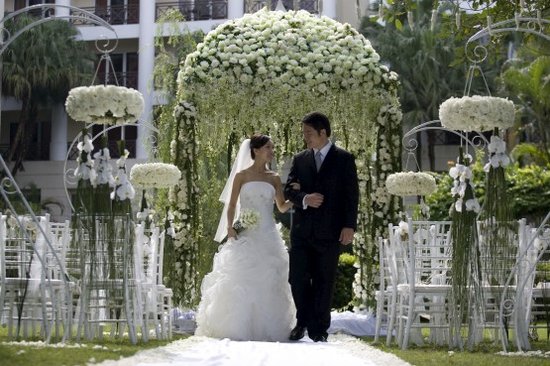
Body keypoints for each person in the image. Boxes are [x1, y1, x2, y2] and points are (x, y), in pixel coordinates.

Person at [195, 133, 296, 341]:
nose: (272, 151)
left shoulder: (275, 177)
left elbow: (282, 207)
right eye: (268, 147)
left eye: (272, 148)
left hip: (268, 234)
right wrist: (231, 227)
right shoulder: (241, 176)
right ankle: (235, 327)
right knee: (241, 278)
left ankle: (268, 328)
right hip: (246, 233)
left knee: (269, 277)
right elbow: (232, 204)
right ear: (256, 150)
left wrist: (296, 196)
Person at [284, 111, 359, 342]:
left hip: (330, 231)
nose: (305, 137)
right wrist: (305, 198)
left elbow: (351, 195)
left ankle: (319, 330)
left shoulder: (344, 159)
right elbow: (288, 191)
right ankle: (302, 322)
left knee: (324, 281)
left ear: (323, 132)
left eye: (308, 133)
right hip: (301, 232)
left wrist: (349, 226)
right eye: (304, 133)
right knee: (296, 279)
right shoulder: (300, 159)